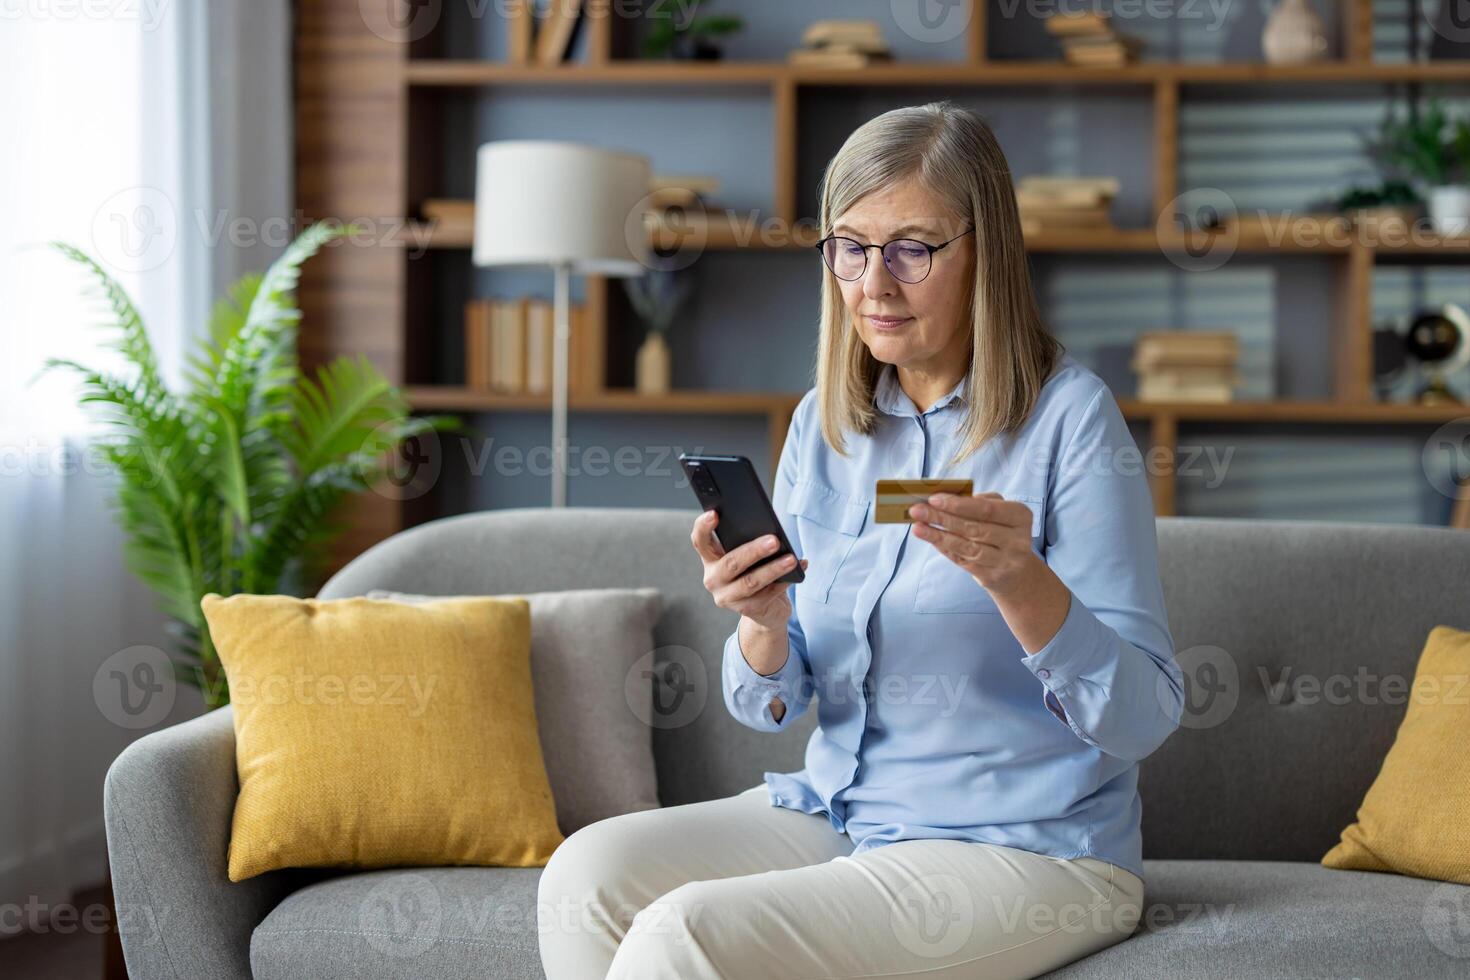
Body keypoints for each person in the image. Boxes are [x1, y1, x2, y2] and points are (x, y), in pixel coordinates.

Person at [537, 99, 1183, 980]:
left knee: (681, 937)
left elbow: (1143, 718)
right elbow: (774, 695)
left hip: (1030, 850)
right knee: (585, 876)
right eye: (850, 245)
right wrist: (762, 621)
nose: (874, 283)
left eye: (913, 248)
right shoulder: (827, 426)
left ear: (983, 251)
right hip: (843, 812)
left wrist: (1024, 583)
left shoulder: (1072, 422)